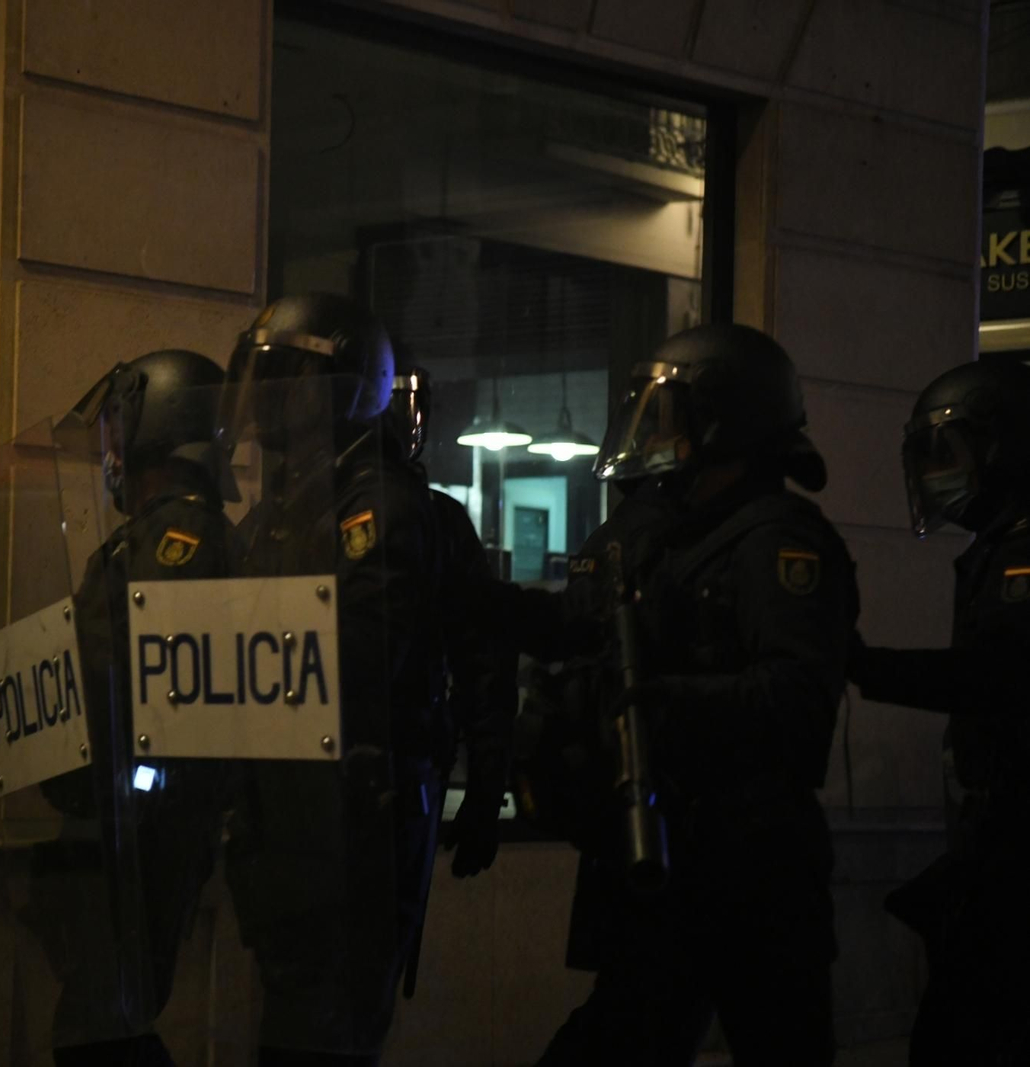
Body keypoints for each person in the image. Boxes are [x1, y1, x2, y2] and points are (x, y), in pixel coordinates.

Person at [534, 323, 858, 1067]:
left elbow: (798, 697)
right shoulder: (685, 537)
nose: (653, 431)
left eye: (667, 414)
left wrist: (657, 701)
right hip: (681, 861)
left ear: (724, 421)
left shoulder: (778, 540)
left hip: (757, 868)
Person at [218, 293, 444, 1064]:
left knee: (327, 1038)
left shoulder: (374, 503)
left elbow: (362, 653)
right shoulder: (277, 513)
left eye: (287, 384)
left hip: (354, 827)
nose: (268, 408)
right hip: (287, 827)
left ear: (343, 391)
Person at [36, 348, 240, 1067]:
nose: (111, 450)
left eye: (122, 427)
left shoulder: (176, 545)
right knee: (100, 1024)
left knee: (102, 1030)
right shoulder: (147, 540)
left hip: (138, 835)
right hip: (115, 830)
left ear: (160, 425)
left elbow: (133, 687)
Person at [847, 358, 1030, 1067]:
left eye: (946, 452)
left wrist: (868, 666)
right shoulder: (998, 550)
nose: (933, 473)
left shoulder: (1019, 557)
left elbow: (1000, 677)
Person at [383, 365, 510, 885]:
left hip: (404, 775)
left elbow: (485, 665)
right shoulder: (437, 520)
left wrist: (484, 792)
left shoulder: (438, 522)